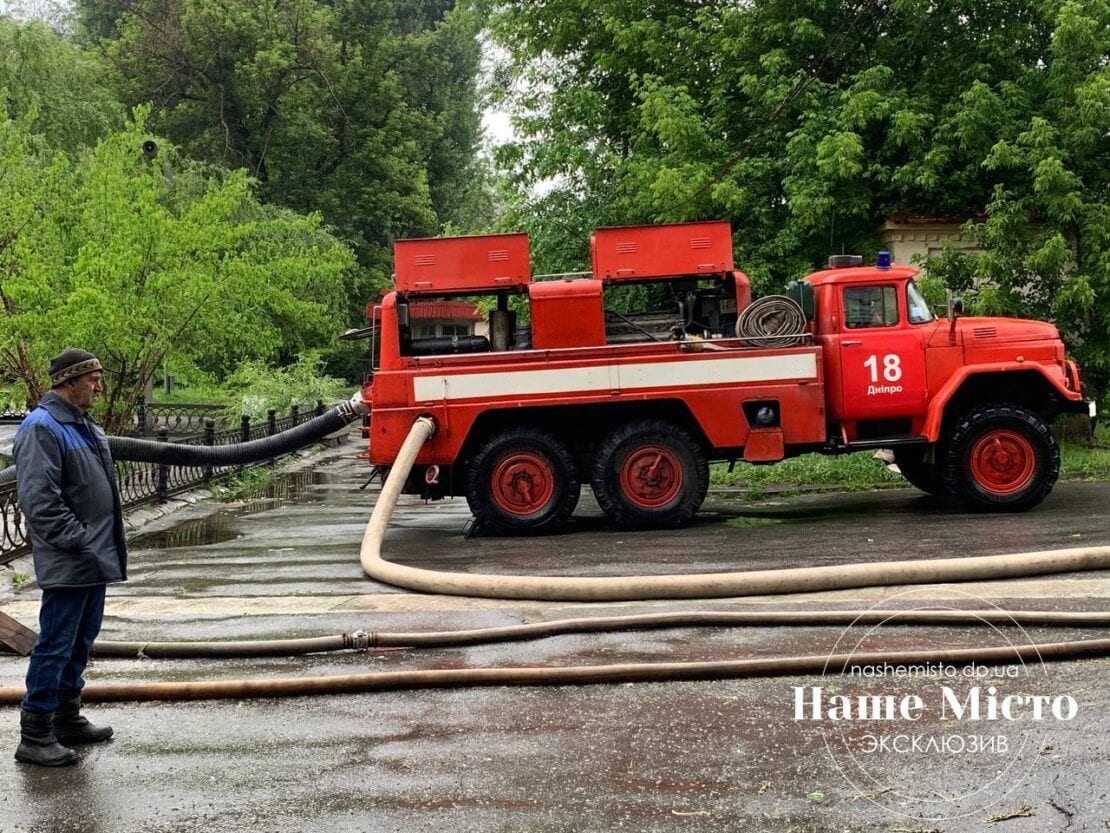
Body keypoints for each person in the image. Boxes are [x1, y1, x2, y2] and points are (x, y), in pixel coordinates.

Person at [12, 349, 126, 767]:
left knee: (81, 639)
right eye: (93, 378)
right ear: (69, 381)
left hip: (91, 557)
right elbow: (41, 502)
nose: (99, 386)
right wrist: (79, 541)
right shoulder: (42, 427)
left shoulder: (81, 423)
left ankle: (67, 716)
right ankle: (36, 732)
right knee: (55, 644)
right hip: (71, 557)